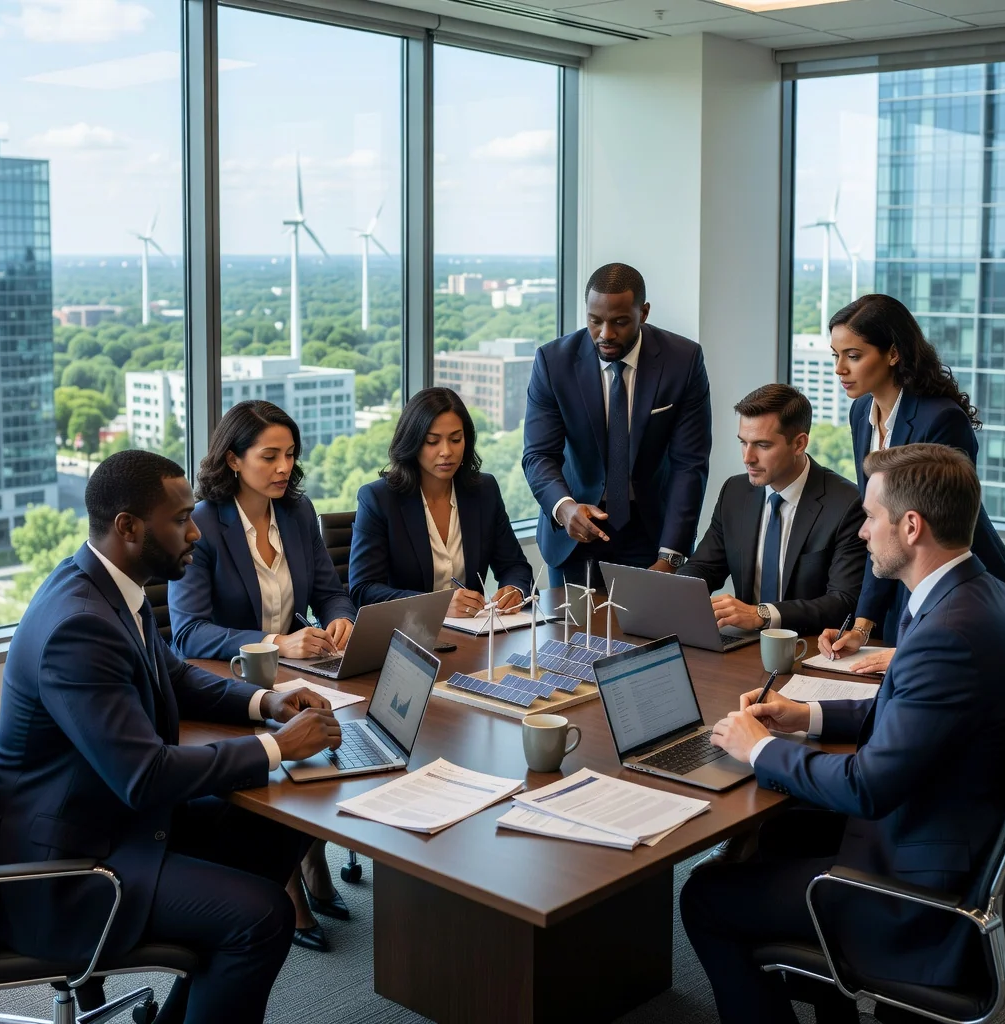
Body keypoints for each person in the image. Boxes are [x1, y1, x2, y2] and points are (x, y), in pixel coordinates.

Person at [0, 450, 343, 1024]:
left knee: (274, 819)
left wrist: (267, 702)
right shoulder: (79, 624)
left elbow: (176, 678)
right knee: (261, 916)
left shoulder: (106, 587)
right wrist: (277, 746)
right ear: (128, 527)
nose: (196, 531)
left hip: (110, 823)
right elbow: (145, 776)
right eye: (181, 519)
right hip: (66, 872)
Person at [682, 444, 1005, 1024]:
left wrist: (759, 748)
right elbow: (916, 714)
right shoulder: (981, 597)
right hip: (946, 833)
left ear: (911, 527)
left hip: (914, 894)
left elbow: (868, 786)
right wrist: (804, 716)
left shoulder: (948, 632)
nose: (861, 533)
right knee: (778, 832)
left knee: (705, 894)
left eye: (870, 517)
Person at [167, 399, 355, 951]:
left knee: (341, 738)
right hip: (230, 682)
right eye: (269, 456)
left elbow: (328, 589)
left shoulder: (297, 513)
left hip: (304, 671)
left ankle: (310, 857)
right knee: (287, 756)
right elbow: (188, 632)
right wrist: (275, 641)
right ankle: (291, 886)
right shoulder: (201, 523)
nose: (283, 468)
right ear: (232, 458)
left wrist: (341, 617)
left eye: (290, 455)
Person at [817, 294, 1005, 671]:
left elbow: (933, 533)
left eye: (854, 356)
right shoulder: (862, 411)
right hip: (901, 570)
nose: (840, 369)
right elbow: (880, 521)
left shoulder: (940, 419)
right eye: (835, 355)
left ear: (893, 353)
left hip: (952, 583)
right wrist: (861, 624)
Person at [522, 262, 712, 590]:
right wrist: (564, 508)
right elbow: (539, 455)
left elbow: (689, 465)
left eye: (620, 322)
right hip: (576, 530)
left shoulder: (684, 361)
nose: (606, 334)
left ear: (644, 312)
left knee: (655, 638)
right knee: (572, 638)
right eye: (595, 321)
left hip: (652, 532)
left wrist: (671, 556)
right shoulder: (553, 363)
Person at [678, 384, 866, 637]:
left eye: (762, 445)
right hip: (742, 645)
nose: (748, 457)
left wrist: (761, 615)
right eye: (743, 443)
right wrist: (675, 594)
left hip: (808, 645)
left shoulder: (846, 503)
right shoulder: (735, 492)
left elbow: (843, 602)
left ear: (799, 444)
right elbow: (704, 568)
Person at [349, 387, 533, 613]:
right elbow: (363, 590)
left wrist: (514, 589)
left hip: (473, 635)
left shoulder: (484, 491)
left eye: (456, 439)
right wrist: (437, 606)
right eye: (432, 441)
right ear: (413, 443)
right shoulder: (378, 499)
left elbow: (515, 565)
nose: (446, 451)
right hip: (407, 638)